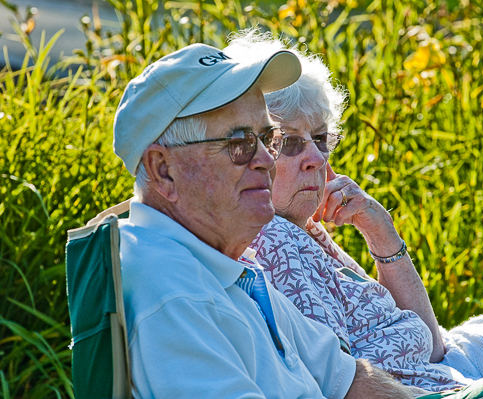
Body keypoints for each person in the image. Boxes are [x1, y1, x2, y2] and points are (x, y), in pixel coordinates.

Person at [223, 31, 483, 398]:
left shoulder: (307, 233)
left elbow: (430, 344)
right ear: (251, 153)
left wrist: (380, 231)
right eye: (289, 143)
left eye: (320, 139)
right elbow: (339, 380)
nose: (315, 159)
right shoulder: (274, 239)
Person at [112, 41, 419, 398]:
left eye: (269, 138)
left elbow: (349, 379)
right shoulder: (170, 295)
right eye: (240, 142)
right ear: (163, 170)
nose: (267, 160)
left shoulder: (233, 270)